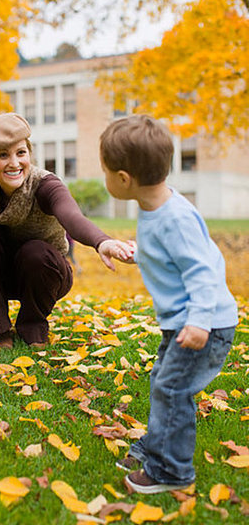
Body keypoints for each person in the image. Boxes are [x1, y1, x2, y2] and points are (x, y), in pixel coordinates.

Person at [99, 114, 238, 494]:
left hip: (203, 323)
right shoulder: (157, 206)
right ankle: (156, 448)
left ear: (124, 179)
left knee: (173, 389)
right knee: (163, 381)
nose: (106, 179)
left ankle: (171, 471)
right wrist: (141, 253)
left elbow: (204, 271)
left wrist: (200, 322)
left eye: (107, 172)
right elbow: (174, 256)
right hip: (186, 321)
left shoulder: (174, 217)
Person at [0, 112, 133, 349]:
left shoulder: (45, 184)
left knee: (35, 251)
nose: (14, 163)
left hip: (46, 274)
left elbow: (72, 216)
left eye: (21, 153)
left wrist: (101, 242)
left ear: (29, 153)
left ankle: (33, 325)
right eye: (3, 155)